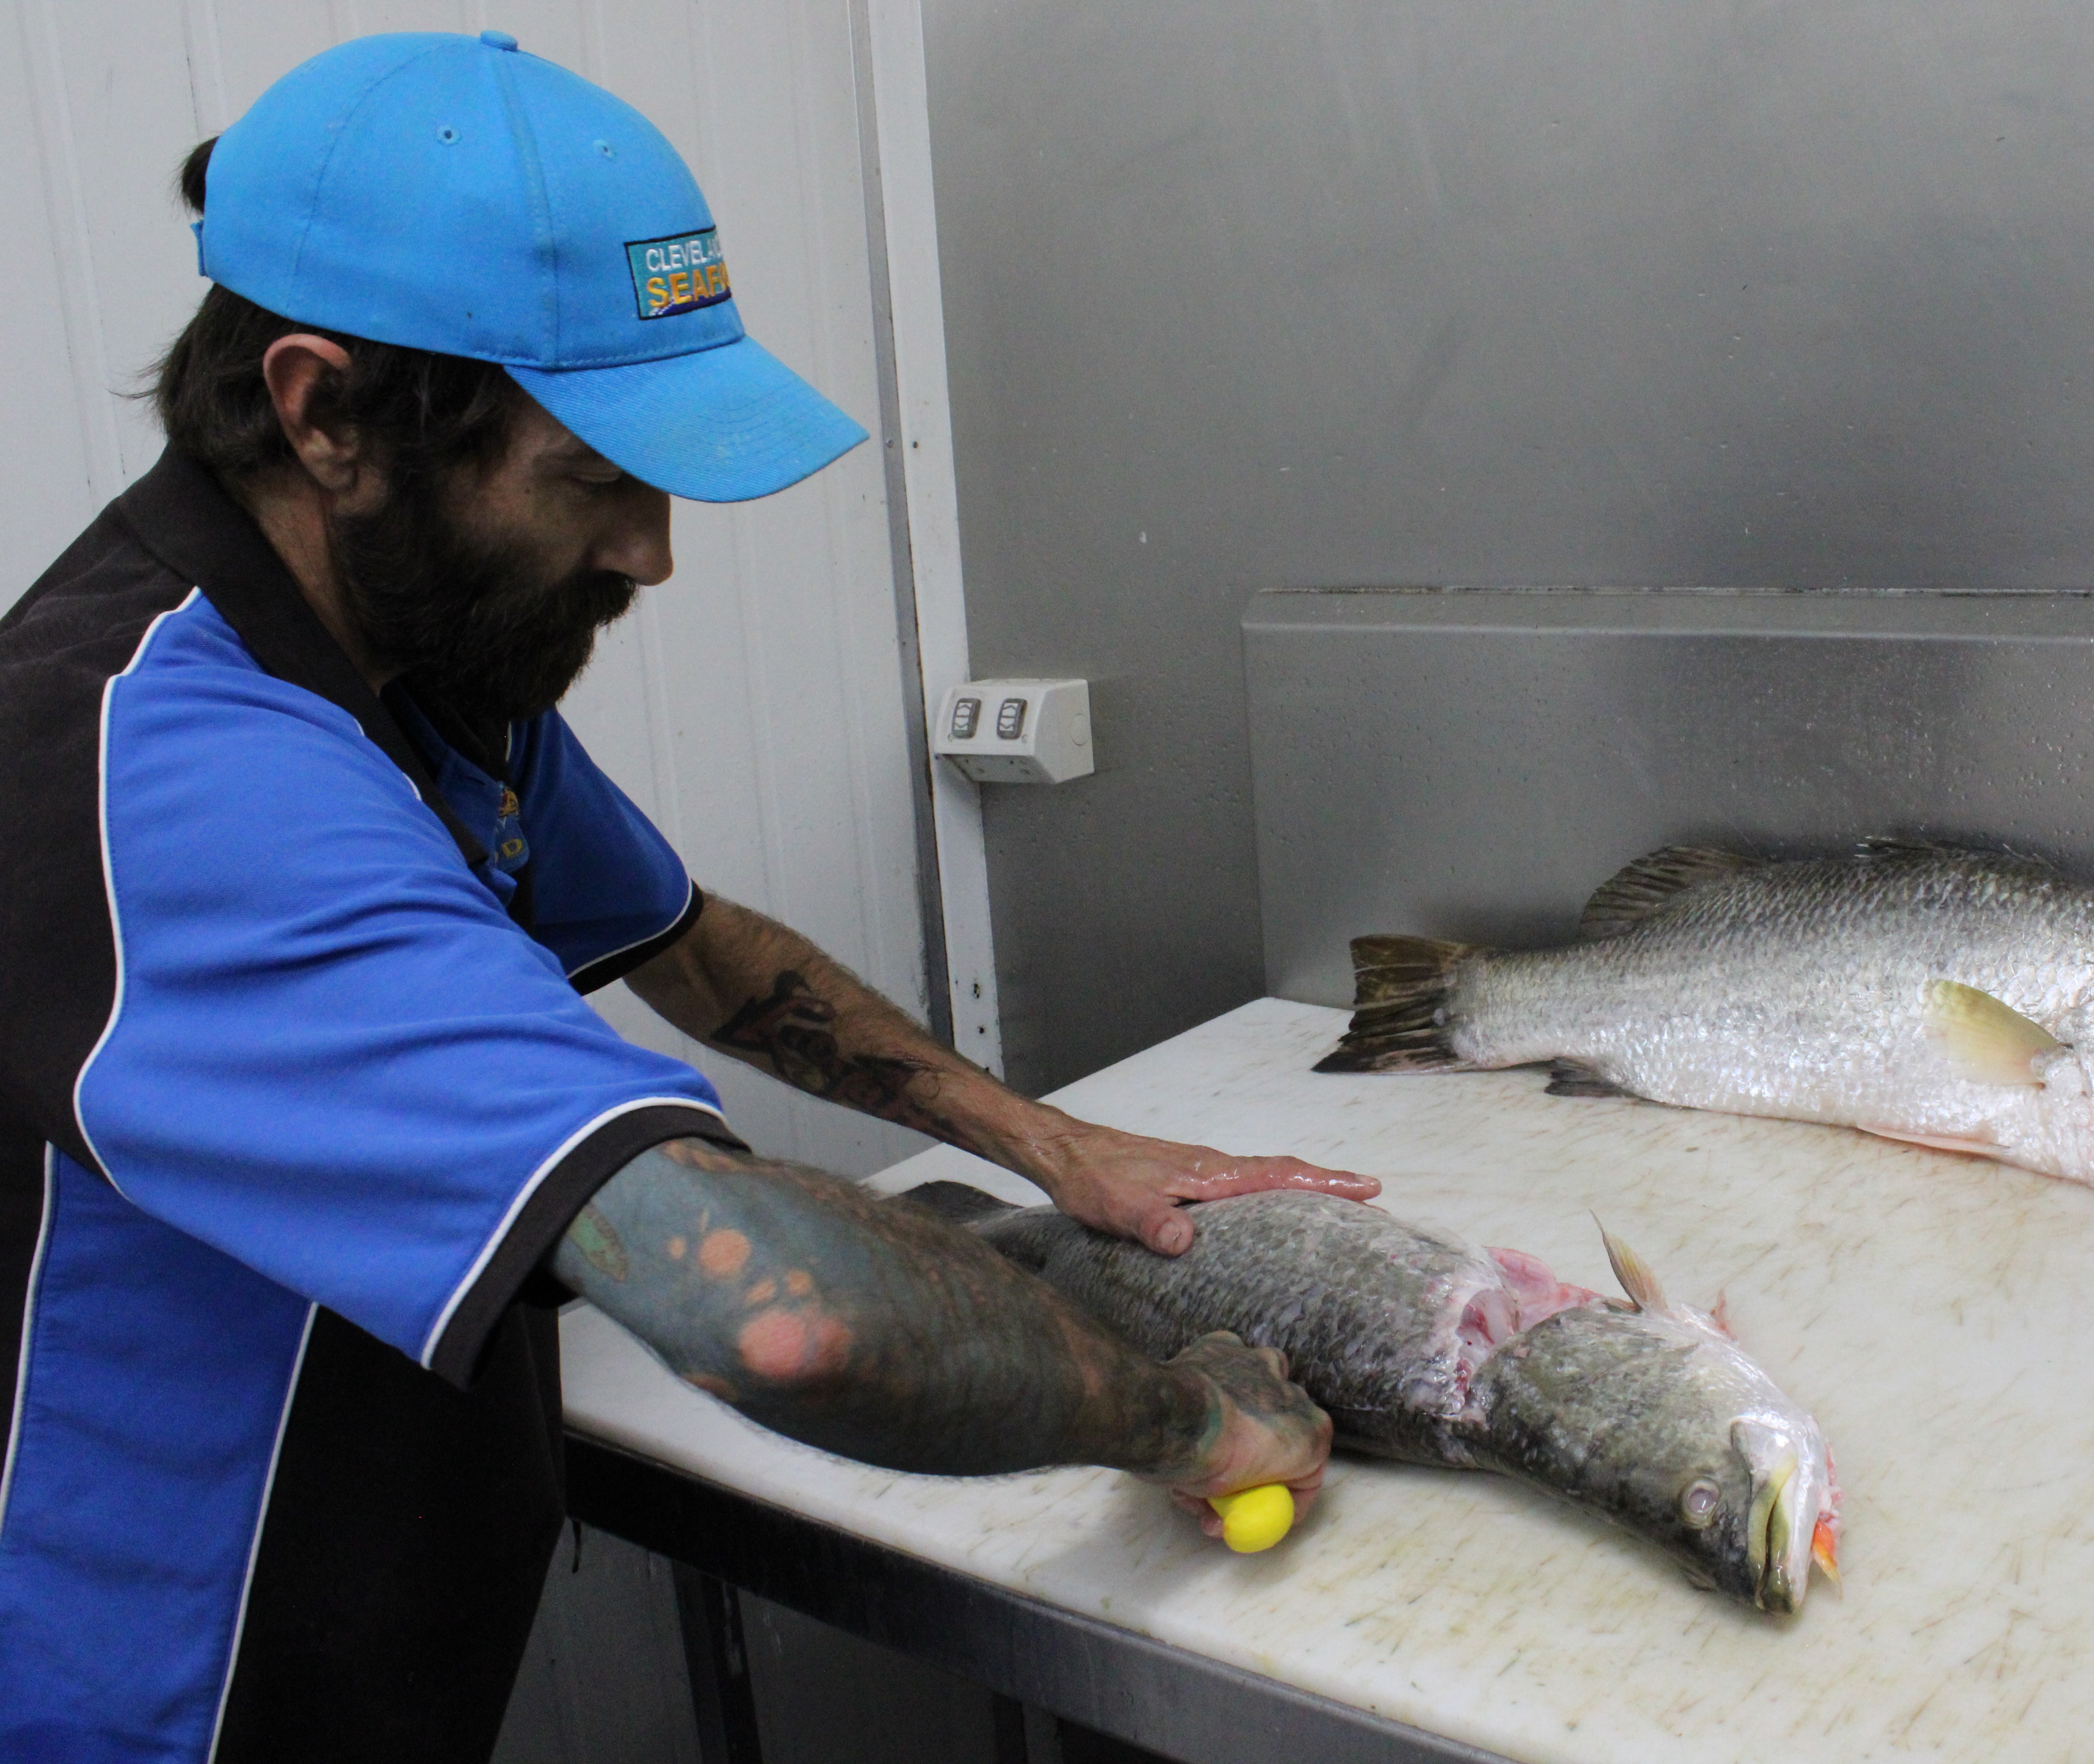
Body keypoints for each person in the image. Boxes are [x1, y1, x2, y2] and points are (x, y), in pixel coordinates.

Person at [0, 31, 1375, 1763]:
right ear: (323, 411)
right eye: (592, 476)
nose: (652, 552)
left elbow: (698, 951)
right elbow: (779, 1317)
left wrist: (1044, 1141)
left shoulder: (409, 670)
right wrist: (1189, 1422)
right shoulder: (175, 772)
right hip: (149, 1715)